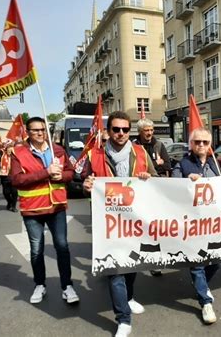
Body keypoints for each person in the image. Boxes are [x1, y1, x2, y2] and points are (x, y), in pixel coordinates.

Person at [82, 111, 157, 337]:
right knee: (115, 270)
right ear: (108, 131)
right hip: (109, 223)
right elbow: (84, 180)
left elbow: (156, 179)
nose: (121, 134)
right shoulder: (94, 155)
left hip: (135, 222)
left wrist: (148, 178)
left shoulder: (141, 152)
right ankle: (123, 319)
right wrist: (87, 184)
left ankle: (129, 297)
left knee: (132, 266)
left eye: (125, 129)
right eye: (116, 129)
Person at [10, 117, 79, 304]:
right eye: (35, 130)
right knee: (36, 250)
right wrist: (46, 172)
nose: (40, 133)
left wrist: (61, 175)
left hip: (56, 206)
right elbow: (16, 180)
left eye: (42, 129)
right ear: (27, 132)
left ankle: (67, 286)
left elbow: (70, 173)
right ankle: (40, 284)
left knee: (62, 247)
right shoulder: (19, 153)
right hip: (33, 209)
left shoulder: (57, 150)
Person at [172, 127, 221, 324]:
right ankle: (205, 302)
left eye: (205, 142)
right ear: (191, 144)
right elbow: (172, 190)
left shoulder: (214, 164)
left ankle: (201, 285)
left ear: (210, 146)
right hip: (192, 224)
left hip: (214, 223)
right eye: (197, 142)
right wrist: (187, 181)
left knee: (218, 260)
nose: (201, 145)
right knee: (197, 262)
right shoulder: (181, 164)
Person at [134, 118, 172, 277]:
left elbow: (167, 165)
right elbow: (134, 168)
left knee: (155, 227)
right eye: (146, 130)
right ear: (140, 132)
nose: (149, 133)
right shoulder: (133, 147)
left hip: (157, 190)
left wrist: (155, 166)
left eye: (151, 130)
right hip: (139, 191)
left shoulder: (159, 145)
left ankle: (155, 261)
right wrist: (157, 163)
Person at [0, 143, 18, 212]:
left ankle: (13, 206)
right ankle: (9, 202)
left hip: (14, 176)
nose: (10, 152)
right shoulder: (2, 155)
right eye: (8, 150)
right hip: (4, 175)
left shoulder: (17, 157)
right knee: (6, 192)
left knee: (14, 192)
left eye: (11, 151)